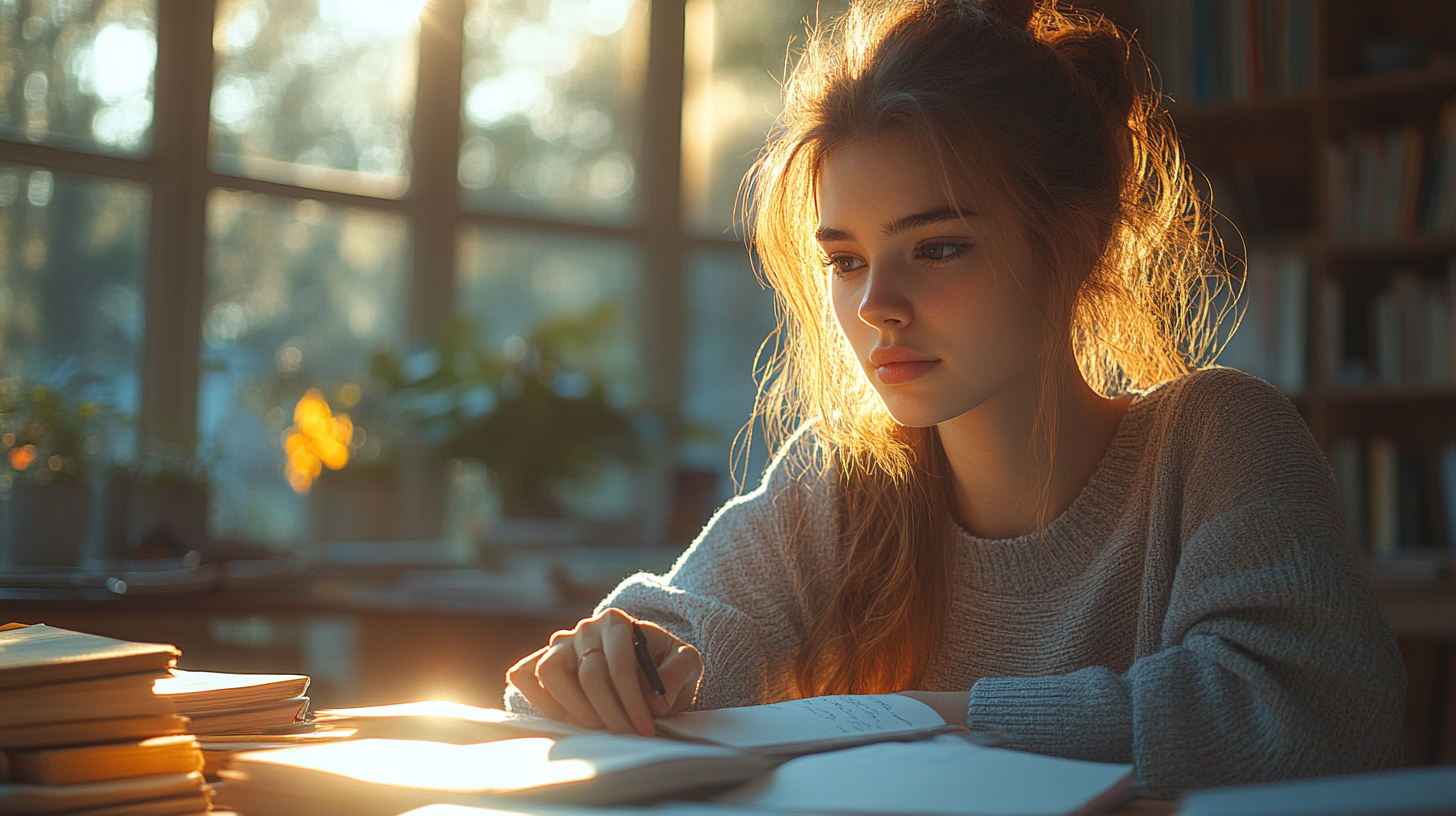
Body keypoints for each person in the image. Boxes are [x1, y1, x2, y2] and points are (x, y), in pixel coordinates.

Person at [505, 0, 1405, 797]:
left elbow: (1315, 716)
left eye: (935, 248)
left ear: (1081, 244)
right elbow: (689, 624)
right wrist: (623, 660)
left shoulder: (1214, 438)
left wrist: (919, 714)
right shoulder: (841, 475)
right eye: (846, 260)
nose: (874, 307)